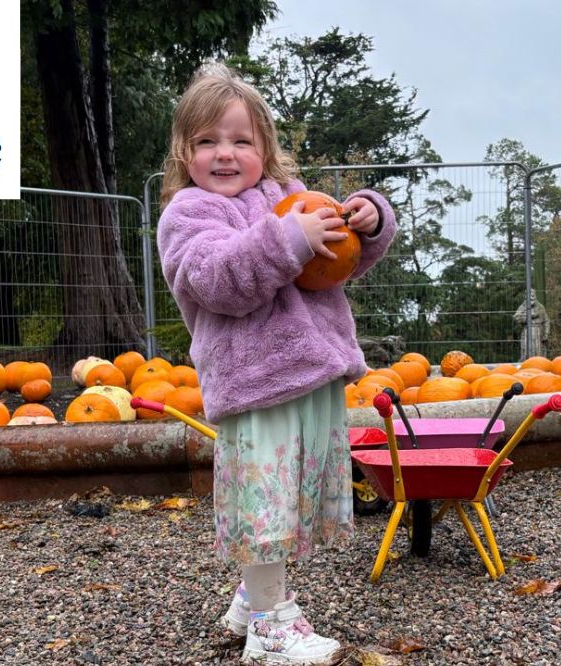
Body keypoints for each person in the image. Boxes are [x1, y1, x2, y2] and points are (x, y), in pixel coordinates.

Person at [156, 63, 397, 665]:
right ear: (185, 151)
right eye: (207, 141)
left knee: (284, 499)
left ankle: (250, 595)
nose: (225, 154)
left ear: (264, 146)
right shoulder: (188, 215)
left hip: (308, 373)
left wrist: (364, 222)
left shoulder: (286, 198)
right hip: (254, 385)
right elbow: (217, 281)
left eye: (241, 140)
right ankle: (270, 624)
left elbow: (331, 267)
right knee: (263, 505)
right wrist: (287, 239)